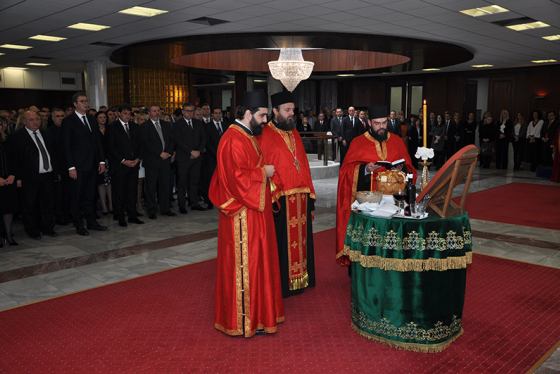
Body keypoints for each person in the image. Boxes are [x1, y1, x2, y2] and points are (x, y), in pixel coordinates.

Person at [209, 91, 284, 337]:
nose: (265, 120)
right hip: (241, 216)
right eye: (263, 115)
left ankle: (260, 316)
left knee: (259, 264)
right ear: (248, 113)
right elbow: (237, 179)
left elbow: (254, 168)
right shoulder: (233, 139)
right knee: (247, 266)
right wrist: (265, 174)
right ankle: (244, 321)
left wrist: (270, 179)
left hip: (255, 212)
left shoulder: (248, 135)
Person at [336, 105, 416, 265]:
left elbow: (410, 168)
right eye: (377, 123)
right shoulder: (358, 142)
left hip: (393, 201)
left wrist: (402, 168)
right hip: (369, 203)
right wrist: (364, 169)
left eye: (384, 123)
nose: (381, 127)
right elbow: (345, 172)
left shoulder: (397, 141)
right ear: (369, 122)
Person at [257, 91, 316, 298]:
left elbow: (303, 165)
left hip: (300, 197)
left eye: (293, 110)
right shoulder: (264, 134)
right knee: (283, 242)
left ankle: (301, 279)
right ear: (275, 111)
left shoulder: (294, 132)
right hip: (280, 198)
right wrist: (274, 190)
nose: (292, 114)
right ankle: (283, 282)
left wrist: (309, 192)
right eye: (287, 110)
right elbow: (262, 166)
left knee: (301, 241)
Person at [7, 111, 60, 239]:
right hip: (28, 177)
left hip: (47, 175)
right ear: (24, 121)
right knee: (30, 205)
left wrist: (56, 172)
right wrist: (17, 177)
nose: (35, 122)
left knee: (47, 203)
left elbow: (54, 154)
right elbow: (14, 160)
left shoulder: (46, 134)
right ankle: (32, 230)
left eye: (37, 119)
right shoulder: (16, 137)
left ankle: (48, 228)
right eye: (31, 119)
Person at [61, 92, 107, 236]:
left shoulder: (92, 119)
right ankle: (79, 224)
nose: (85, 103)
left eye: (86, 101)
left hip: (92, 164)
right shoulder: (68, 121)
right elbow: (66, 146)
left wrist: (101, 160)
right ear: (75, 104)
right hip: (77, 166)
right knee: (76, 196)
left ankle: (92, 222)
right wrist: (71, 167)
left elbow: (98, 141)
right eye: (82, 101)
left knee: (90, 195)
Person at [105, 104, 144, 227]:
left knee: (132, 191)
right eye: (125, 113)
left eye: (129, 113)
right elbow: (110, 147)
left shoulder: (135, 127)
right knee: (119, 192)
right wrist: (123, 160)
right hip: (120, 165)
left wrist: (137, 158)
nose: (128, 116)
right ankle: (120, 216)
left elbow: (141, 144)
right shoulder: (112, 127)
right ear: (119, 114)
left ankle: (132, 215)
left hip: (134, 164)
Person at [141, 105, 176, 219]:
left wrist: (168, 152)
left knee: (165, 185)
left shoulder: (166, 125)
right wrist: (159, 153)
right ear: (149, 113)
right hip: (152, 161)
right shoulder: (145, 126)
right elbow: (145, 143)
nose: (156, 113)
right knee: (151, 187)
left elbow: (171, 140)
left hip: (165, 160)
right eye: (154, 111)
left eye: (158, 111)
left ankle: (165, 208)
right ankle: (151, 210)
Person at [174, 103, 207, 213]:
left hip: (197, 157)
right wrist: (190, 151)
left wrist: (198, 151)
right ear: (183, 112)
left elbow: (203, 138)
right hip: (184, 158)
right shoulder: (177, 124)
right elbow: (178, 141)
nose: (189, 113)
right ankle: (182, 205)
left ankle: (194, 203)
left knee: (194, 181)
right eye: (187, 111)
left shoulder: (198, 123)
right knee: (182, 183)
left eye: (191, 111)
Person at [0, 117, 18, 246]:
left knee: (8, 208)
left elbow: (15, 159)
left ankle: (8, 234)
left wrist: (12, 175)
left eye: (1, 124)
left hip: (8, 179)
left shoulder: (8, 140)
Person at [95, 111, 112, 216]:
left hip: (110, 159)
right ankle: (104, 206)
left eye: (104, 117)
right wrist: (102, 158)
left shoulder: (110, 129)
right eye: (100, 117)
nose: (103, 119)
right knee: (101, 183)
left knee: (110, 183)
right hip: (100, 160)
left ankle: (111, 204)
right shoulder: (95, 130)